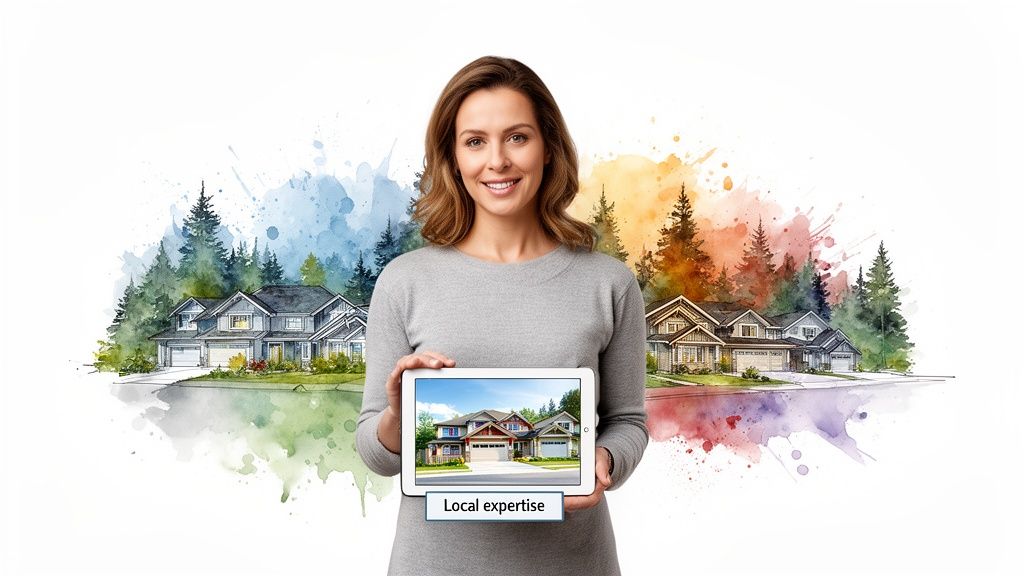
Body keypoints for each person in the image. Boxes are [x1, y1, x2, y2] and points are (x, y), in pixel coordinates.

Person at [356, 55, 649, 575]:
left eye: (517, 137)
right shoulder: (404, 282)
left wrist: (603, 462)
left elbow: (627, 423)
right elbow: (376, 455)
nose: (498, 161)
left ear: (548, 148)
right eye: (475, 141)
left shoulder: (609, 283)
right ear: (452, 157)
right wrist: (399, 419)